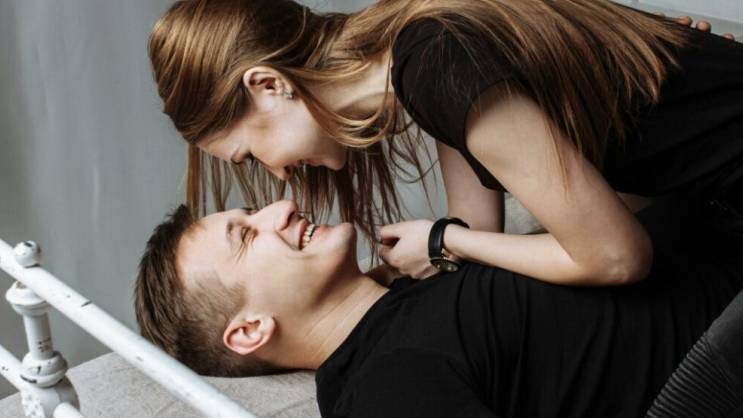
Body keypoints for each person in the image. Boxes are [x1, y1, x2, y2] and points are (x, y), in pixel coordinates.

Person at [147, 0, 742, 285]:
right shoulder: (417, 54)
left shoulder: (437, 64)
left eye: (251, 154)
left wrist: (443, 240)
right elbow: (477, 229)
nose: (278, 176)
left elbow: (615, 257)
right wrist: (387, 273)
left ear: (269, 85)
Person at [134, 198, 743, 417]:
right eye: (247, 235)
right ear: (249, 331)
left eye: (253, 210)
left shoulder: (419, 285)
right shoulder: (383, 389)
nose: (281, 208)